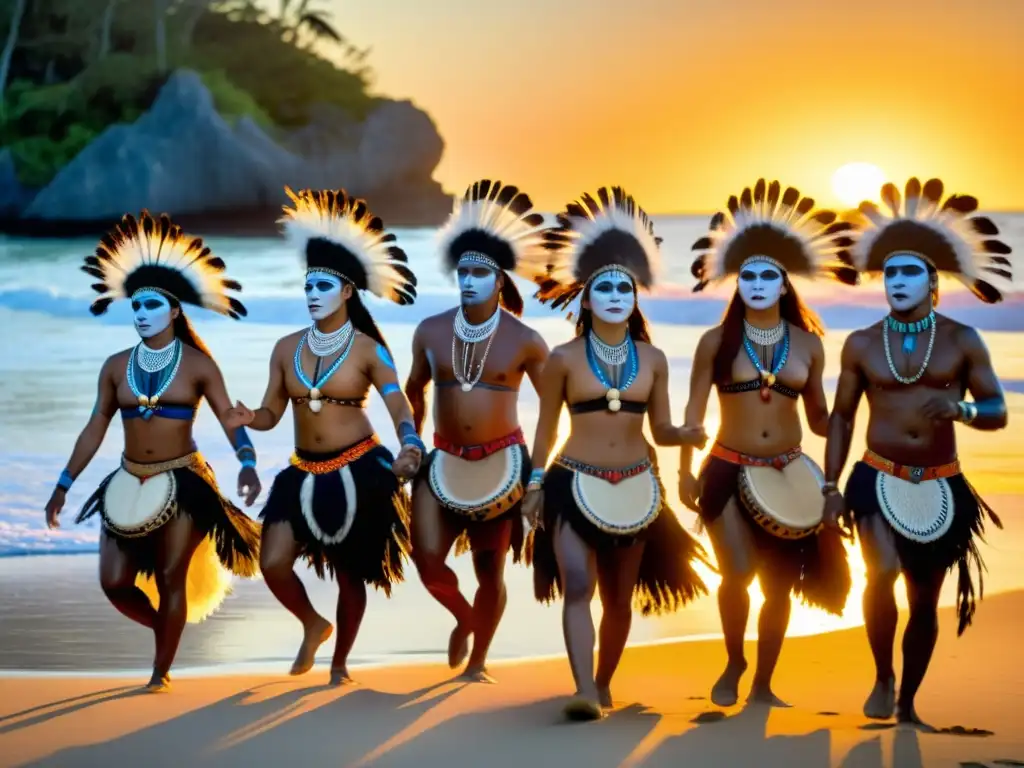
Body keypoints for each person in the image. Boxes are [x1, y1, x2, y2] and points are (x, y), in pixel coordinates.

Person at [43, 211, 263, 692]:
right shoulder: (115, 367)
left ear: (175, 311)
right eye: (135, 305)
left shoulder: (199, 366)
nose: (140, 313)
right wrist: (63, 484)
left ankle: (160, 672)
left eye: (151, 304)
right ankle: (168, 630)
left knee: (170, 579)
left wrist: (246, 460)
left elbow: (229, 416)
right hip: (127, 478)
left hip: (184, 481)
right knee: (114, 583)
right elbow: (95, 426)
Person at [824, 177, 1010, 728]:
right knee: (879, 572)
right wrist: (830, 486)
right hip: (874, 476)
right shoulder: (859, 342)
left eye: (911, 272)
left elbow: (997, 407)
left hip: (941, 483)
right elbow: (841, 416)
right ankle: (882, 673)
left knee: (925, 602)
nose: (897, 282)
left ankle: (908, 700)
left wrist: (965, 412)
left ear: (934, 282)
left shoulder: (963, 340)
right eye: (891, 273)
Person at [521, 186, 711, 721]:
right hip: (571, 482)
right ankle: (582, 688)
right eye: (603, 287)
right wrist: (534, 485)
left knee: (620, 600)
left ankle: (604, 681)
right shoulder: (561, 358)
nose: (613, 295)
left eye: (623, 288)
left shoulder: (652, 359)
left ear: (636, 297)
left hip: (636, 486)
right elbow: (545, 426)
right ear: (585, 298)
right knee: (578, 585)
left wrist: (688, 437)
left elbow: (663, 428)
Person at [224, 187, 424, 686]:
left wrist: (410, 442)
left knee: (351, 573)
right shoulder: (284, 347)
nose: (312, 292)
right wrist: (251, 416)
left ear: (347, 292)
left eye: (324, 285)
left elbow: (398, 401)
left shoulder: (368, 350)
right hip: (302, 472)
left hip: (359, 468)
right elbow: (273, 411)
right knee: (272, 562)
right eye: (308, 284)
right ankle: (314, 624)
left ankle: (340, 665)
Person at [679, 179, 856, 708]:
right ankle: (734, 660)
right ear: (739, 284)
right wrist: (684, 470)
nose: (757, 283)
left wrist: (865, 410)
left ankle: (763, 684)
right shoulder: (717, 341)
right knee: (736, 574)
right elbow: (693, 413)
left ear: (784, 286)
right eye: (748, 276)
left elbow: (822, 419)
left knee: (778, 587)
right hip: (726, 469)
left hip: (789, 472)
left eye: (769, 277)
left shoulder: (809, 345)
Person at [404, 180, 550, 682]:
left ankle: (479, 661)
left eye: (480, 272)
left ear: (499, 277)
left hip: (504, 462)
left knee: (490, 570)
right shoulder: (429, 330)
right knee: (425, 560)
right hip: (441, 457)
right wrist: (410, 442)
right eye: (463, 271)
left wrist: (542, 475)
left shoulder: (526, 340)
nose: (469, 280)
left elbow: (557, 404)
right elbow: (413, 391)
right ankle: (466, 620)